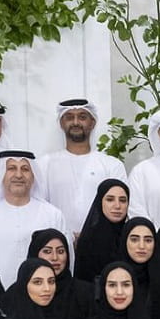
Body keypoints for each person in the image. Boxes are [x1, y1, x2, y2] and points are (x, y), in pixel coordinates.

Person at [40, 98, 128, 239]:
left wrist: (89, 237)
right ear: (62, 123)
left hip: (102, 242)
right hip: (57, 245)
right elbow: (41, 207)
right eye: (69, 117)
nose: (75, 122)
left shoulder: (112, 165)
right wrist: (67, 237)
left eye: (82, 117)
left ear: (92, 123)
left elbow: (120, 209)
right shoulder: (45, 164)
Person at [0, 151, 67, 283]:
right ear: (1, 175)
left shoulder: (52, 215)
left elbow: (65, 262)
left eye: (25, 169)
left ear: (33, 176)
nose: (19, 175)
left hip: (44, 296)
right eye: (11, 168)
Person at [73, 178, 131, 284]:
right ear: (100, 202)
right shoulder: (89, 240)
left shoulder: (132, 238)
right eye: (110, 199)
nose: (117, 206)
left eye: (122, 200)